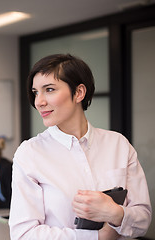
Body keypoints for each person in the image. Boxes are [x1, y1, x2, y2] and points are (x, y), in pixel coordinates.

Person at [9, 54, 152, 239]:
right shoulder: (29, 153)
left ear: (79, 93)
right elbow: (24, 234)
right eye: (36, 92)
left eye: (49, 89)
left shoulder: (118, 144)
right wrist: (96, 237)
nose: (39, 102)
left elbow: (143, 219)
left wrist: (114, 212)